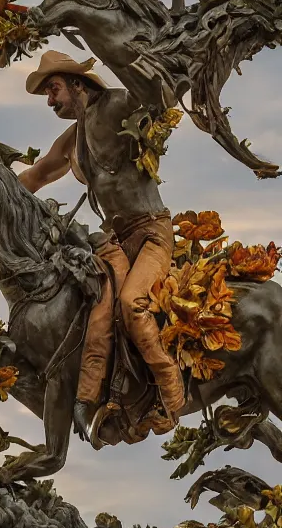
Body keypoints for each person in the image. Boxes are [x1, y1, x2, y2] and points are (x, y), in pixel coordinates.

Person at [16, 49, 185, 440]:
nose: (51, 101)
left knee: (132, 303)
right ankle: (90, 399)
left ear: (78, 84)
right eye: (47, 94)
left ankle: (171, 394)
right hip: (115, 241)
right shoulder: (73, 139)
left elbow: (160, 97)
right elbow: (37, 176)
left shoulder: (118, 106)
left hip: (152, 233)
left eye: (53, 89)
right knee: (101, 306)